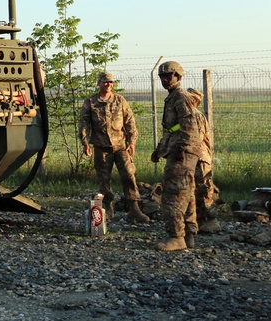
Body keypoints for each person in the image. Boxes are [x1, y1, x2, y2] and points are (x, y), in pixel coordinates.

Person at [78, 72, 151, 223]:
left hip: (120, 146)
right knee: (104, 179)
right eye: (105, 82)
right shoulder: (91, 102)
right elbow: (84, 123)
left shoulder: (119, 100)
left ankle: (134, 208)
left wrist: (132, 141)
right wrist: (85, 143)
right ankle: (107, 207)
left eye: (110, 82)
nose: (108, 85)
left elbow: (130, 121)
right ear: (99, 83)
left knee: (129, 175)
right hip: (101, 145)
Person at [150, 61, 203, 251]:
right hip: (178, 149)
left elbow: (189, 126)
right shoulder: (173, 98)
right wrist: (159, 149)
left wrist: (181, 148)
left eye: (169, 76)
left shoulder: (180, 97)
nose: (165, 79)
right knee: (187, 193)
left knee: (173, 194)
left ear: (178, 77)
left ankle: (176, 236)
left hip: (182, 152)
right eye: (162, 76)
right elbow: (172, 128)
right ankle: (189, 235)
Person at [186, 87, 222, 233]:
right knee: (194, 190)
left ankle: (211, 221)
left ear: (194, 101)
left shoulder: (196, 116)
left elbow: (195, 139)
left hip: (200, 159)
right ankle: (198, 220)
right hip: (192, 157)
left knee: (204, 190)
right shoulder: (187, 116)